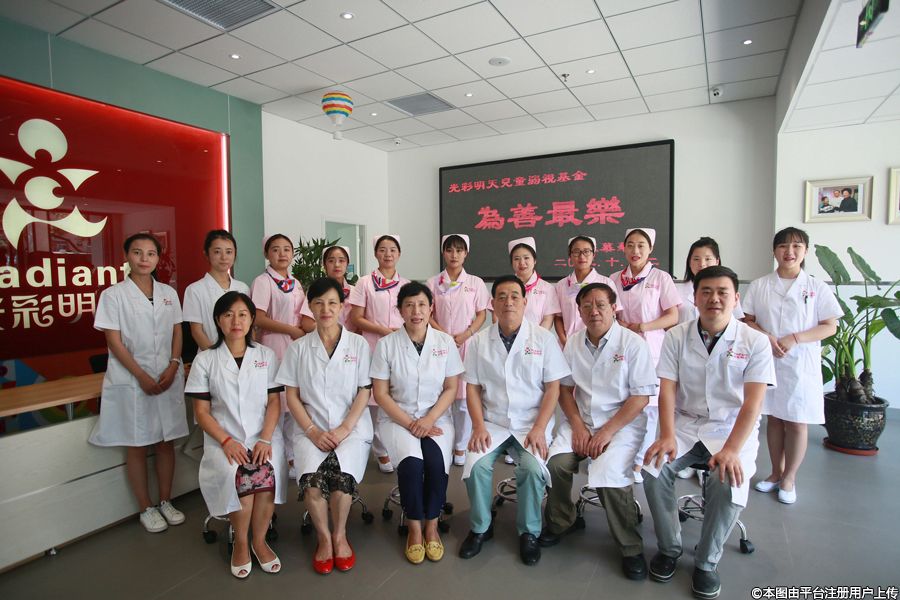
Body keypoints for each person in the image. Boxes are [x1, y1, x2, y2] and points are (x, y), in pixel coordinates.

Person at [642, 265, 775, 600]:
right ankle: (670, 548)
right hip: (686, 423)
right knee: (654, 469)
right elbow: (667, 390)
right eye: (706, 292)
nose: (714, 298)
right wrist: (667, 434)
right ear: (695, 298)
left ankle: (706, 561)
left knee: (728, 478)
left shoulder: (755, 341)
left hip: (732, 427)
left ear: (736, 298)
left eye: (722, 292)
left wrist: (731, 449)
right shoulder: (677, 336)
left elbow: (753, 403)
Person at [542, 283, 657, 580]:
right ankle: (562, 521)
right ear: (579, 311)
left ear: (613, 308)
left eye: (601, 305)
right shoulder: (573, 343)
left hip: (621, 425)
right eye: (587, 306)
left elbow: (641, 397)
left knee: (609, 473)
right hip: (582, 421)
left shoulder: (633, 344)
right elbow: (565, 389)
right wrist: (578, 425)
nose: (594, 311)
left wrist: (606, 432)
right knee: (556, 464)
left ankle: (630, 546)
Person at [458, 275, 570, 566]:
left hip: (530, 423)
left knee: (531, 469)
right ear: (493, 304)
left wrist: (540, 428)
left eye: (514, 296)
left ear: (525, 301)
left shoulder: (543, 338)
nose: (508, 302)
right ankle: (481, 527)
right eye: (502, 297)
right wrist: (478, 426)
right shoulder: (478, 342)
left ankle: (529, 532)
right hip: (492, 422)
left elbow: (553, 388)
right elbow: (472, 388)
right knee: (477, 465)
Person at [88, 233, 188, 533]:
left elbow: (177, 331)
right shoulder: (113, 295)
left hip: (167, 375)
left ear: (158, 258)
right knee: (137, 444)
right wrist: (142, 376)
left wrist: (174, 364)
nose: (144, 259)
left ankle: (165, 500)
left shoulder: (168, 293)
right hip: (132, 379)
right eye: (137, 252)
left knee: (165, 442)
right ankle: (146, 507)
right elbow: (114, 341)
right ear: (126, 256)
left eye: (151, 253)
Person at [276, 277, 373, 575]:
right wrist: (312, 431)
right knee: (312, 482)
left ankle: (340, 535)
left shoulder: (358, 344)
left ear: (342, 306)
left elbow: (364, 390)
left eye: (332, 303)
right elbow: (291, 396)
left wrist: (344, 429)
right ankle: (323, 539)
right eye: (318, 303)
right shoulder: (298, 348)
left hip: (351, 427)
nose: (326, 309)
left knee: (342, 478)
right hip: (310, 428)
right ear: (310, 307)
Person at [185, 292, 285, 578]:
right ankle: (241, 543)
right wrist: (227, 441)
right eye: (228, 315)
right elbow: (202, 412)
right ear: (218, 321)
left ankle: (259, 541)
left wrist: (265, 438)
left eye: (242, 314)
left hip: (262, 435)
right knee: (241, 476)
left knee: (266, 473)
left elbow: (274, 402)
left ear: (252, 319)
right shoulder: (205, 360)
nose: (236, 321)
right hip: (223, 440)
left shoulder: (265, 356)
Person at [742, 227, 840, 504]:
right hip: (768, 358)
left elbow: (830, 326)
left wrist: (796, 338)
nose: (789, 252)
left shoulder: (816, 287)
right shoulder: (760, 285)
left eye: (796, 246)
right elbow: (747, 320)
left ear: (805, 251)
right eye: (783, 246)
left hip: (800, 362)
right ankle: (775, 472)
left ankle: (789, 477)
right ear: (774, 251)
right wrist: (767, 336)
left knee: (796, 420)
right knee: (774, 417)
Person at [371, 282, 463, 564]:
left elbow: (451, 387)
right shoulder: (387, 345)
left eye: (422, 304)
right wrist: (413, 423)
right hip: (397, 419)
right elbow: (381, 394)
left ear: (431, 308)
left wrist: (429, 419)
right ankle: (414, 528)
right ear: (399, 310)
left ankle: (431, 526)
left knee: (436, 464)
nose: (416, 311)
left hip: (437, 417)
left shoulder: (445, 342)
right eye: (409, 305)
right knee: (412, 465)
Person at [611, 227, 681, 482]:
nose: (635, 250)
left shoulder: (661, 277)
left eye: (641, 245)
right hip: (622, 348)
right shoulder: (615, 278)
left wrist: (642, 326)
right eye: (630, 244)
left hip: (652, 348)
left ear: (650, 249)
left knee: (649, 407)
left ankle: (640, 461)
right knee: (622, 402)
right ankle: (619, 455)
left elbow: (673, 316)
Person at [674, 237, 744, 481]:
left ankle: (706, 459)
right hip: (685, 355)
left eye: (707, 258)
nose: (701, 263)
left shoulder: (726, 288)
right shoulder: (678, 289)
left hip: (721, 359)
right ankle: (690, 458)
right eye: (696, 259)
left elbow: (737, 324)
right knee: (685, 405)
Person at [250, 234, 315, 478]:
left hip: (295, 347)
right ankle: (275, 458)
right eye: (276, 249)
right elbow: (258, 318)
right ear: (266, 254)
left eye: (287, 249)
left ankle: (292, 458)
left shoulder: (295, 283)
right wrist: (291, 330)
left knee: (292, 402)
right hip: (273, 344)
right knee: (275, 402)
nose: (282, 254)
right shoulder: (262, 281)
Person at [425, 234, 490, 467]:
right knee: (439, 395)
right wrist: (443, 335)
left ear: (466, 254)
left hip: (466, 344)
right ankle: (442, 443)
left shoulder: (475, 283)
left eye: (459, 250)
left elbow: (482, 313)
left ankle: (461, 446)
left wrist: (466, 334)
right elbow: (427, 313)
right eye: (450, 250)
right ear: (443, 253)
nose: (454, 255)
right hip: (439, 344)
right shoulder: (432, 283)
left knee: (463, 399)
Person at [349, 234, 410, 474]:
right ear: (375, 253)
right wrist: (384, 330)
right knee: (374, 399)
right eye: (382, 249)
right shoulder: (364, 283)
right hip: (373, 346)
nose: (388, 254)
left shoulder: (406, 285)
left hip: (400, 347)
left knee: (398, 394)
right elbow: (356, 317)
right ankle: (381, 450)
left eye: (392, 249)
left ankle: (398, 445)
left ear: (399, 254)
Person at [183, 230, 250, 351]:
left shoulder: (243, 288)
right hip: (209, 355)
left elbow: (249, 326)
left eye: (229, 252)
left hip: (242, 355)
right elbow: (197, 331)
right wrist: (215, 357)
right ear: (206, 254)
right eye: (217, 252)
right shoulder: (195, 290)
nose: (224, 257)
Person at [553, 235, 615, 346]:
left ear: (593, 254)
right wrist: (565, 342)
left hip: (598, 344)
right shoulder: (561, 285)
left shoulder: (606, 283)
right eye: (576, 252)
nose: (582, 256)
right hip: (568, 344)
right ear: (570, 256)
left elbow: (614, 316)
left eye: (586, 251)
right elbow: (558, 317)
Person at [507, 236, 560, 330]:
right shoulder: (505, 286)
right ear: (511, 262)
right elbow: (498, 316)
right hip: (509, 337)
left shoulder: (547, 288)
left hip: (537, 337)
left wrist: (536, 337)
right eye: (516, 259)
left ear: (534, 260)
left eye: (526, 258)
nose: (522, 263)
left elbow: (548, 319)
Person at [320, 245, 357, 332]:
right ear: (324, 265)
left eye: (341, 260)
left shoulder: (355, 291)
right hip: (326, 338)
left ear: (347, 264)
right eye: (331, 261)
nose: (337, 265)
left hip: (352, 338)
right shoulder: (317, 291)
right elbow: (308, 323)